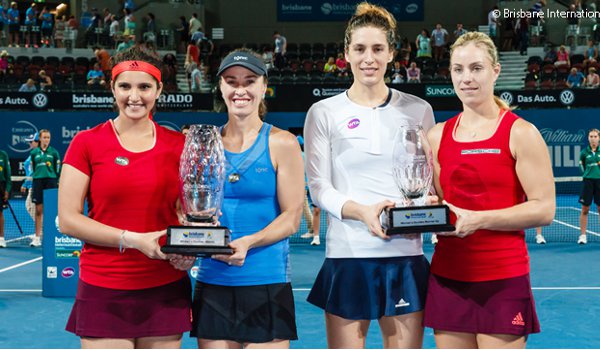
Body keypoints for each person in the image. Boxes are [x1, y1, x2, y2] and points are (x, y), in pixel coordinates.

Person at [304, 3, 435, 348]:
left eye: (378, 49)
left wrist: (428, 203)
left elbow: (428, 183)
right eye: (360, 49)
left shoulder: (419, 110)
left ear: (392, 53)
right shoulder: (324, 112)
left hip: (405, 254)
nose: (369, 58)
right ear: (346, 53)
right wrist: (361, 211)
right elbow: (318, 188)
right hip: (347, 255)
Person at [423, 31, 555, 348]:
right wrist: (423, 208)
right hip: (448, 276)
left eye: (476, 68)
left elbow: (544, 208)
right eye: (458, 69)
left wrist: (479, 219)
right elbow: (442, 205)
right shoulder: (437, 136)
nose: (466, 78)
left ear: (495, 71)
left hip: (502, 278)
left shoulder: (521, 132)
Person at [58, 44, 194, 348]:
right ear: (112, 88)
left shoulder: (180, 145)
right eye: (125, 86)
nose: (135, 96)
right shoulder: (86, 143)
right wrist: (133, 239)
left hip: (165, 285)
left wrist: (189, 250)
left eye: (144, 86)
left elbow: (189, 215)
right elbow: (67, 220)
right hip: (104, 285)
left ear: (159, 89)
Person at [190, 49, 304, 348]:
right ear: (221, 87)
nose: (240, 90)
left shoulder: (283, 142)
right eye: (231, 81)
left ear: (263, 86)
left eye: (249, 81)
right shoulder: (204, 144)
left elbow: (292, 218)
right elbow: (190, 209)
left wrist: (249, 242)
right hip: (212, 279)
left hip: (267, 280)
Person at [29, 129, 60, 247]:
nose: (46, 140)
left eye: (48, 137)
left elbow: (58, 169)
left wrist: (56, 180)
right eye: (44, 137)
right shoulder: (34, 153)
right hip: (38, 181)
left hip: (51, 181)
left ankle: (51, 236)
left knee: (51, 210)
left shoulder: (54, 153)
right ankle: (37, 238)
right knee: (38, 210)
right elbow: (33, 168)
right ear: (40, 139)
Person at [577, 128, 600, 245]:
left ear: (599, 138)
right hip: (588, 182)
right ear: (588, 138)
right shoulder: (584, 152)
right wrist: (585, 173)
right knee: (585, 209)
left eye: (595, 136)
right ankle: (583, 235)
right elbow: (581, 165)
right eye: (591, 136)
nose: (593, 139)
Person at [21, 133, 40, 224]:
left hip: (36, 186)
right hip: (31, 186)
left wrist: (25, 183)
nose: (30, 144)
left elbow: (34, 171)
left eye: (31, 142)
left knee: (32, 208)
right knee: (29, 206)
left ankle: (41, 231)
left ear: (37, 142)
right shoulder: (33, 154)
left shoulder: (39, 155)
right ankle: (41, 230)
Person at [0, 148, 11, 248]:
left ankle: (1, 238)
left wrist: (7, 190)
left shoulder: (3, 154)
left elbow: (8, 174)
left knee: (0, 213)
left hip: (0, 186)